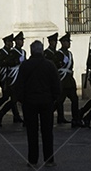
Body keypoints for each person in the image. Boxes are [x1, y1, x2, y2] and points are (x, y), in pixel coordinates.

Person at [17, 40, 60, 168]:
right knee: (47, 132)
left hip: (30, 102)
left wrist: (22, 100)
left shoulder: (25, 65)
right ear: (42, 51)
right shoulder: (50, 65)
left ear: (31, 51)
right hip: (46, 102)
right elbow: (56, 84)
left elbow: (19, 85)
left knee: (32, 132)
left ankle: (32, 160)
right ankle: (49, 159)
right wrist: (54, 99)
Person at [0, 32, 25, 125]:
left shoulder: (23, 52)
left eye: (22, 40)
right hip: (12, 79)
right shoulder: (12, 52)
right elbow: (6, 63)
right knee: (12, 98)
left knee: (15, 99)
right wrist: (17, 61)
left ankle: (14, 116)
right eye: (20, 40)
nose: (22, 42)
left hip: (19, 79)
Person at [53, 33, 81, 126]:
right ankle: (59, 117)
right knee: (60, 100)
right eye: (67, 42)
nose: (69, 43)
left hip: (69, 80)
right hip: (62, 80)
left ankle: (75, 118)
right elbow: (56, 66)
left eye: (69, 42)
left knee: (74, 99)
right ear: (62, 43)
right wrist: (61, 63)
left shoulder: (69, 54)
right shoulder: (58, 54)